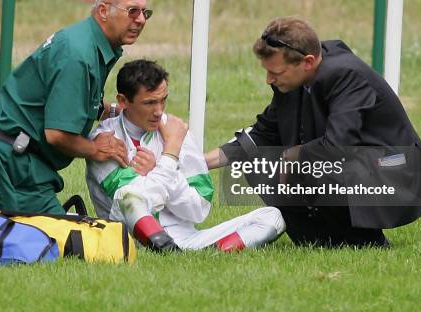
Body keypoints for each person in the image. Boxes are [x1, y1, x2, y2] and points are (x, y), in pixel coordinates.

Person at [205, 16, 421, 248]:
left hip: (397, 170)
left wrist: (293, 155)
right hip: (358, 166)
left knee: (312, 162)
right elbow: (261, 135)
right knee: (257, 162)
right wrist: (198, 163)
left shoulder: (346, 74)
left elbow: (338, 146)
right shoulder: (294, 78)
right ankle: (321, 241)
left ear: (307, 62)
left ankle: (365, 239)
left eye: (276, 73)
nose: (269, 80)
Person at [0, 0, 154, 215]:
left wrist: (115, 111)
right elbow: (57, 134)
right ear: (103, 11)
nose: (141, 20)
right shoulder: (78, 54)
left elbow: (75, 101)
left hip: (25, 160)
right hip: (14, 164)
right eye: (132, 11)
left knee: (66, 239)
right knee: (61, 245)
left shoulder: (90, 43)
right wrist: (96, 148)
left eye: (145, 12)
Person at [86, 59, 285, 252]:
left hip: (186, 241)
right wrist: (170, 154)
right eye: (149, 103)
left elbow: (199, 209)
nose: (158, 111)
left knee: (272, 216)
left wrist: (159, 168)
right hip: (130, 241)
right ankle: (162, 247)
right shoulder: (105, 140)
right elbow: (140, 201)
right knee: (128, 195)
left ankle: (211, 253)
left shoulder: (176, 129)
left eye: (163, 100)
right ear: (123, 101)